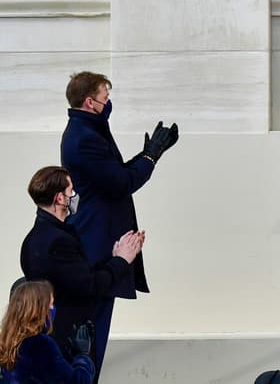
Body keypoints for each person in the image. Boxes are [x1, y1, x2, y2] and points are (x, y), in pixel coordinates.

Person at [59, 71, 176, 378]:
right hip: (97, 245)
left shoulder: (89, 129)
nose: (108, 103)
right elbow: (120, 183)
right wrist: (150, 158)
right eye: (105, 97)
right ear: (90, 102)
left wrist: (149, 155)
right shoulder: (85, 138)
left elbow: (114, 173)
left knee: (92, 336)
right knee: (90, 338)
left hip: (97, 240)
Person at [18, 166, 142, 377]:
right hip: (67, 340)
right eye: (71, 191)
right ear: (60, 198)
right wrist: (122, 260)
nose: (75, 196)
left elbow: (75, 278)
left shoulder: (34, 238)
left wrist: (113, 258)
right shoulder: (58, 241)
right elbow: (90, 287)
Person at [0, 280, 95, 384]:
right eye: (51, 304)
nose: (53, 308)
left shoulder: (7, 341)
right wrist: (83, 357)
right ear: (39, 310)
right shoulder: (41, 345)